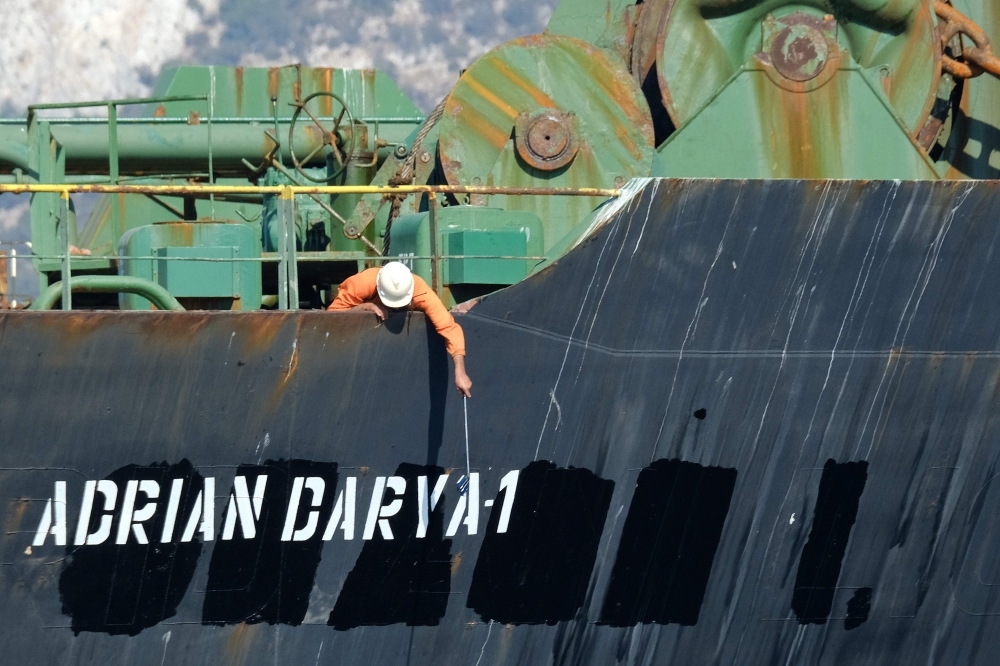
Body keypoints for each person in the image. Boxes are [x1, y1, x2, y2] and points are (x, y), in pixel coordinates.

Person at [327, 262, 473, 397]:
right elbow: (332, 315)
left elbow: (449, 327)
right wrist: (364, 308)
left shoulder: (420, 290)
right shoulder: (362, 283)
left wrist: (460, 371)